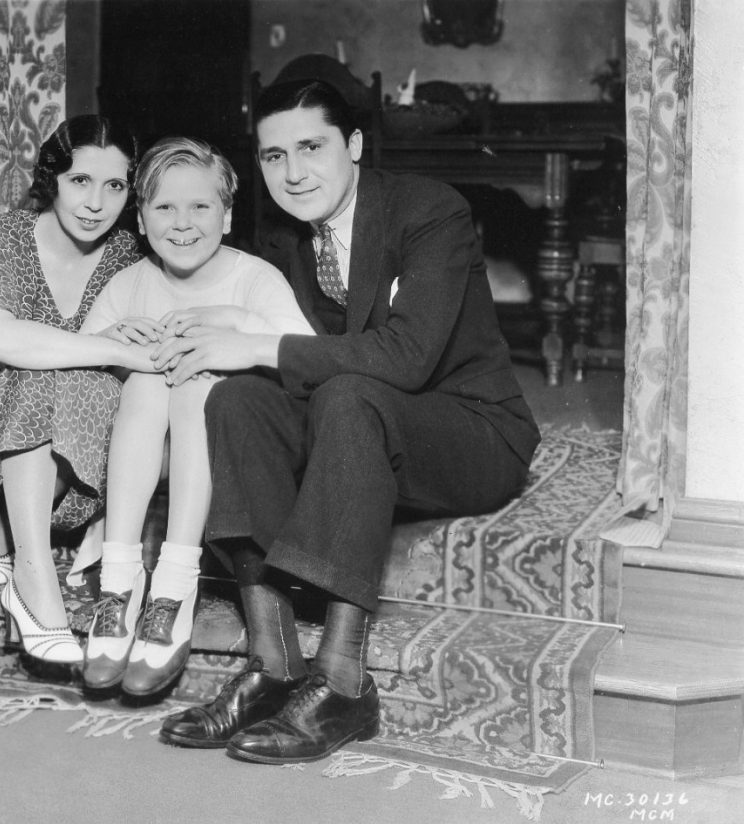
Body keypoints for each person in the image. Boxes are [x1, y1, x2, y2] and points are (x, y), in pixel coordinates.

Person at [153, 80, 541, 763]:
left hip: (470, 431)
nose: (294, 173)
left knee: (347, 394)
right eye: (274, 156)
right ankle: (274, 666)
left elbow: (407, 357)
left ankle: (343, 681)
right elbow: (298, 348)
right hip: (356, 433)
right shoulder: (281, 233)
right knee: (236, 400)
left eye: (312, 147)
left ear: (355, 145)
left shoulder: (428, 210)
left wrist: (256, 344)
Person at [78, 137, 314, 696]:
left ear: (227, 217)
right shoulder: (130, 282)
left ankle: (174, 583)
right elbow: (81, 361)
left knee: (194, 377)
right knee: (144, 381)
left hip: (220, 446)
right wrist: (113, 340)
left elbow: (307, 353)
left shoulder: (254, 278)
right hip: (144, 452)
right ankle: (119, 581)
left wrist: (236, 320)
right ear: (141, 220)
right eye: (164, 207)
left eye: (201, 207)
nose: (182, 223)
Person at [0, 115, 156, 666]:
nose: (96, 203)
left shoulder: (126, 252)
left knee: (93, 386)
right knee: (35, 375)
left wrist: (121, 351)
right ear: (53, 178)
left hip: (73, 431)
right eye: (80, 181)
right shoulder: (2, 235)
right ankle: (33, 578)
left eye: (115, 186)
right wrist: (110, 348)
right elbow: (2, 340)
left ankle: (5, 536)